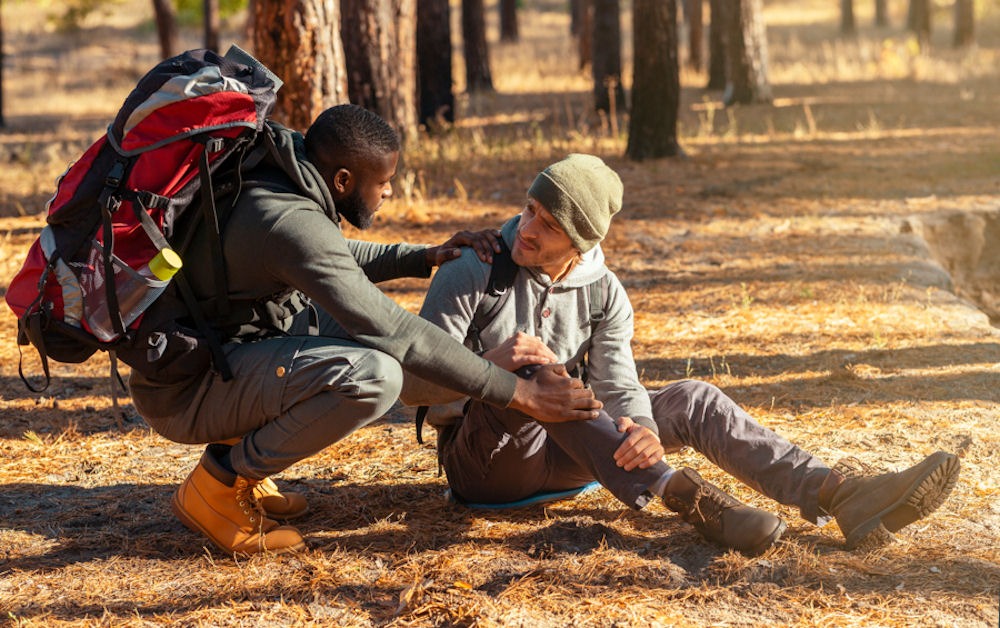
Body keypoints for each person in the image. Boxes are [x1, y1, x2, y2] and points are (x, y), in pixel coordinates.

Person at [400, 153, 961, 556]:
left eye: (549, 226)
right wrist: (496, 367)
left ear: (583, 243)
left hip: (580, 455)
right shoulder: (474, 266)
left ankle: (842, 494)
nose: (527, 229)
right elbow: (414, 387)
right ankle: (681, 494)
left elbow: (618, 382)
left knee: (692, 398)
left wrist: (640, 426)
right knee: (533, 366)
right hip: (488, 464)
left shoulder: (605, 292)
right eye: (528, 210)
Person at [128, 106, 601, 556]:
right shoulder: (287, 222)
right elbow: (397, 332)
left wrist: (422, 256)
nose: (389, 192)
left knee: (348, 334)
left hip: (218, 353)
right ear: (343, 180)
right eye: (385, 182)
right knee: (375, 374)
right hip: (187, 390)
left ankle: (244, 466)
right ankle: (219, 483)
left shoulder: (285, 170)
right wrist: (518, 392)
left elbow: (330, 256)